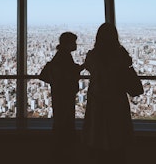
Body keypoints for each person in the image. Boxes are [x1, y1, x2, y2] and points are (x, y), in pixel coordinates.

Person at [82, 22, 134, 164]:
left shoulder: (93, 55)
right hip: (116, 99)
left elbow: (88, 66)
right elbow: (128, 64)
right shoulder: (120, 54)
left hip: (97, 99)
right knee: (117, 132)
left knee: (97, 132)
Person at [39, 31, 85, 163]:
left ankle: (59, 152)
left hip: (60, 94)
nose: (76, 45)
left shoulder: (62, 55)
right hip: (64, 95)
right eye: (74, 42)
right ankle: (63, 153)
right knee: (64, 122)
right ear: (68, 43)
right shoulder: (64, 56)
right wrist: (81, 67)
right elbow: (68, 73)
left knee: (61, 122)